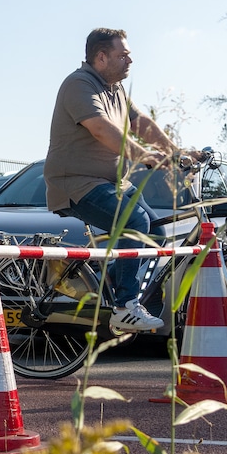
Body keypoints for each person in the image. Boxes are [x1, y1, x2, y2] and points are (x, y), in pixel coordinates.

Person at [43, 28, 183, 331]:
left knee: (155, 236)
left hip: (112, 182)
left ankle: (114, 283)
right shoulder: (79, 84)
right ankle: (124, 306)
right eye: (123, 55)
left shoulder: (115, 88)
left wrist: (175, 153)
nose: (130, 59)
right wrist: (142, 155)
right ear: (101, 57)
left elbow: (141, 123)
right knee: (134, 222)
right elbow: (101, 129)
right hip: (77, 183)